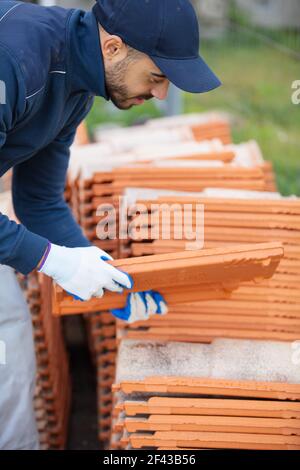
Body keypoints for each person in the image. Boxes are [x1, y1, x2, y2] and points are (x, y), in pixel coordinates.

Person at [0, 0, 221, 449]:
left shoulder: (77, 83)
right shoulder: (14, 59)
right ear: (115, 47)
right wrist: (50, 259)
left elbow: (39, 200)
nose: (160, 95)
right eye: (157, 77)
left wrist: (106, 279)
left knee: (10, 349)